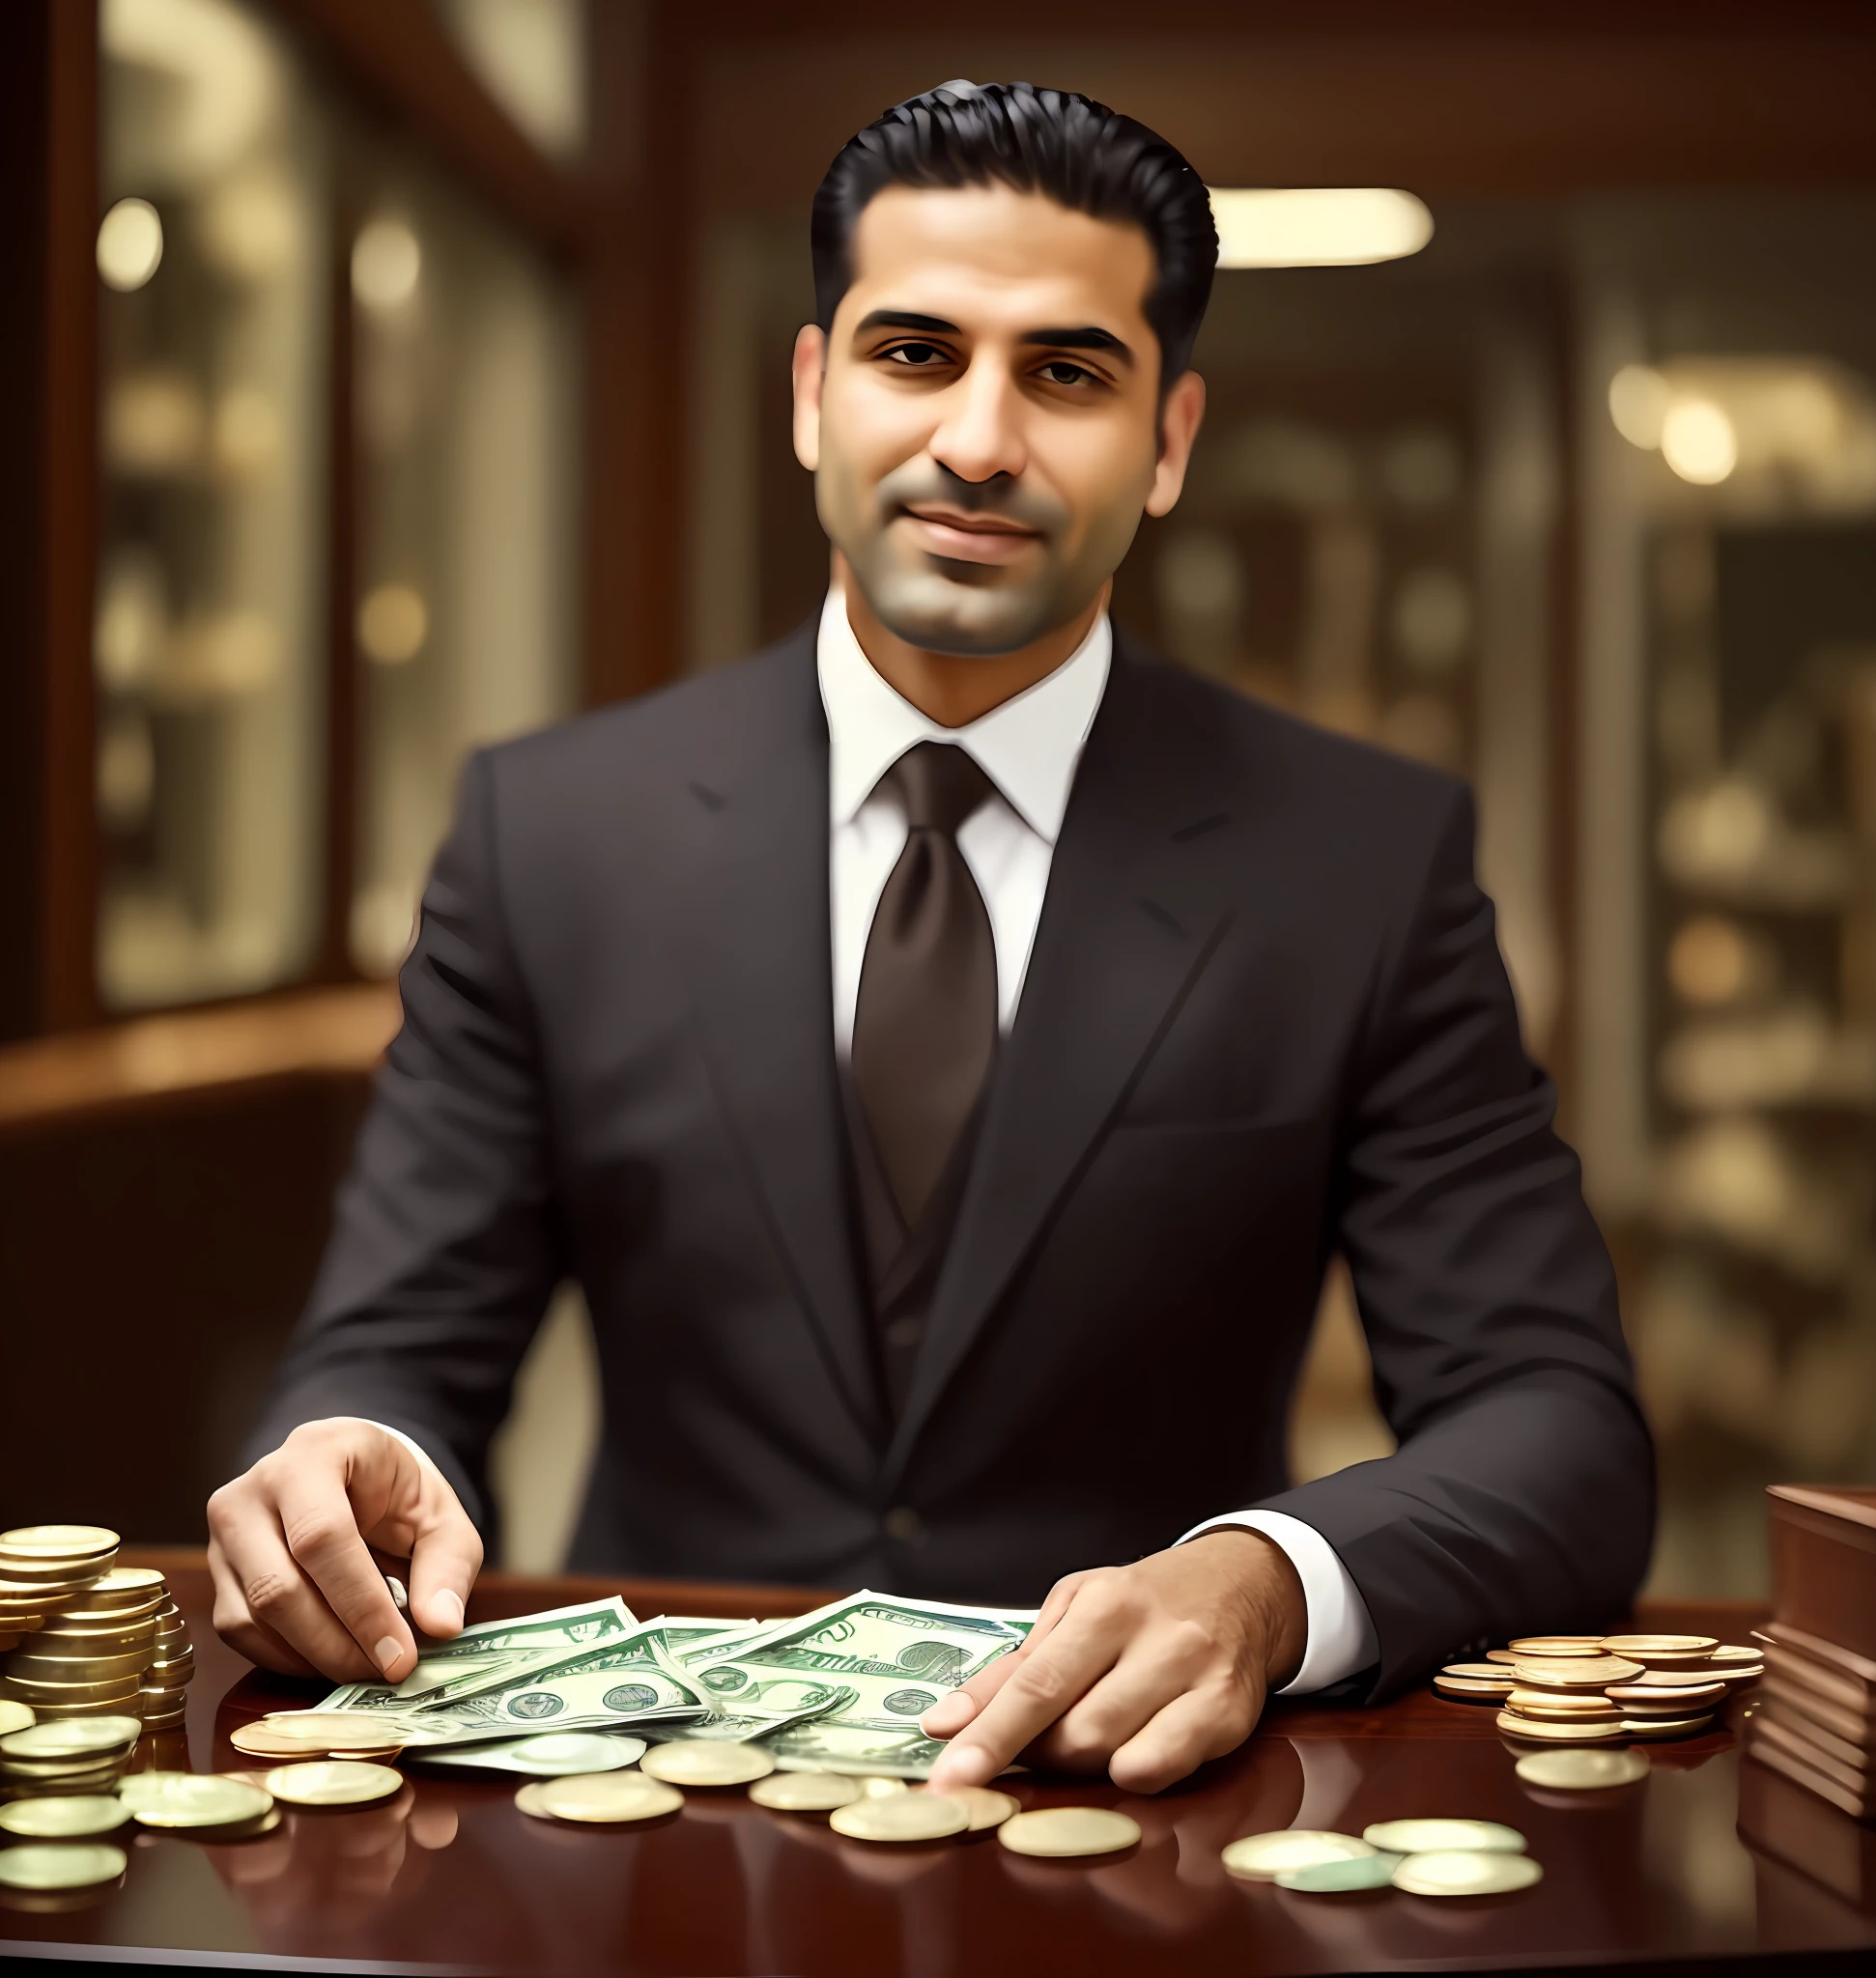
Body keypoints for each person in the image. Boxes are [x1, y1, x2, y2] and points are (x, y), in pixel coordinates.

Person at [209, 80, 1653, 1797]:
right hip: (648, 1830)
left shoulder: (1359, 863)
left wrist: (1270, 1583)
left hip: (1143, 1816)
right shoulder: (553, 835)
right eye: (914, 354)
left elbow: (1558, 1430)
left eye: (1068, 373)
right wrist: (350, 1448)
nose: (978, 440)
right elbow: (399, 1335)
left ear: (1170, 442)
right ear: (811, 394)